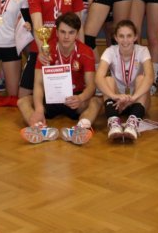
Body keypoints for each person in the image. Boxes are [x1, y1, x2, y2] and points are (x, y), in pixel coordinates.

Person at [17, 12, 102, 145]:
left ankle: (80, 129)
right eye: (62, 32)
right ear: (56, 33)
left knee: (96, 102)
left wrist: (80, 98)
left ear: (77, 34)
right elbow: (38, 83)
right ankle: (39, 128)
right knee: (22, 102)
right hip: (51, 98)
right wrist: (39, 109)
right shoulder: (46, 51)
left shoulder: (86, 51)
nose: (66, 37)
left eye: (71, 32)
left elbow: (91, 85)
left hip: (74, 99)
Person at [23, 0, 85, 97]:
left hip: (67, 47)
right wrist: (42, 51)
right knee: (23, 95)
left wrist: (81, 52)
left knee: (73, 93)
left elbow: (79, 26)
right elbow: (38, 25)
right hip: (43, 46)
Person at [95, 20, 154, 142]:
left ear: (135, 37)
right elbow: (98, 78)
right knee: (108, 79)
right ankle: (114, 123)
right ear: (115, 37)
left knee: (142, 78)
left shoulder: (142, 50)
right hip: (118, 102)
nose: (125, 40)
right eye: (121, 36)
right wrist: (114, 96)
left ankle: (132, 124)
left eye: (129, 36)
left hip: (138, 100)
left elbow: (150, 77)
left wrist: (133, 98)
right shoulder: (110, 51)